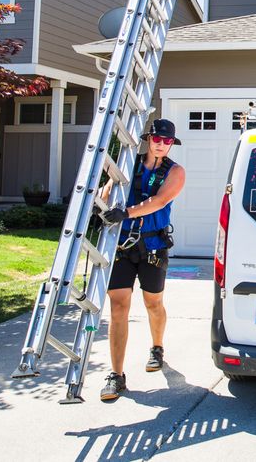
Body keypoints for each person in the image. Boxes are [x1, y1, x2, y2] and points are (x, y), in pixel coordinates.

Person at [97, 118, 186, 402]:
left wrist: (127, 212)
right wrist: (104, 200)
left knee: (153, 303)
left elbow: (159, 202)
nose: (161, 144)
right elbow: (108, 191)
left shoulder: (175, 172)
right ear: (149, 139)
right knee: (119, 306)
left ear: (172, 144)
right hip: (122, 246)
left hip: (152, 247)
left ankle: (157, 347)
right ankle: (116, 375)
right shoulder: (128, 165)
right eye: (157, 139)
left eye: (167, 141)